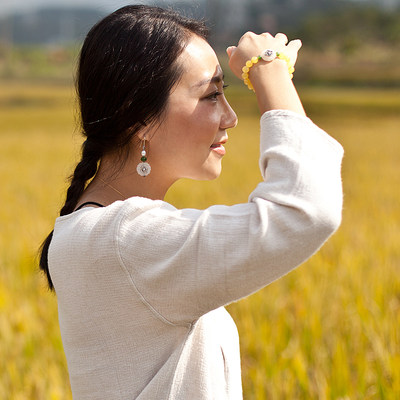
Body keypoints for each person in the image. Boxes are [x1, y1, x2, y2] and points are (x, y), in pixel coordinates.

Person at [39, 5, 343, 400]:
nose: (230, 117)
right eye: (211, 95)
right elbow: (305, 210)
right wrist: (270, 71)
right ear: (140, 119)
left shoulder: (97, 235)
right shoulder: (123, 241)